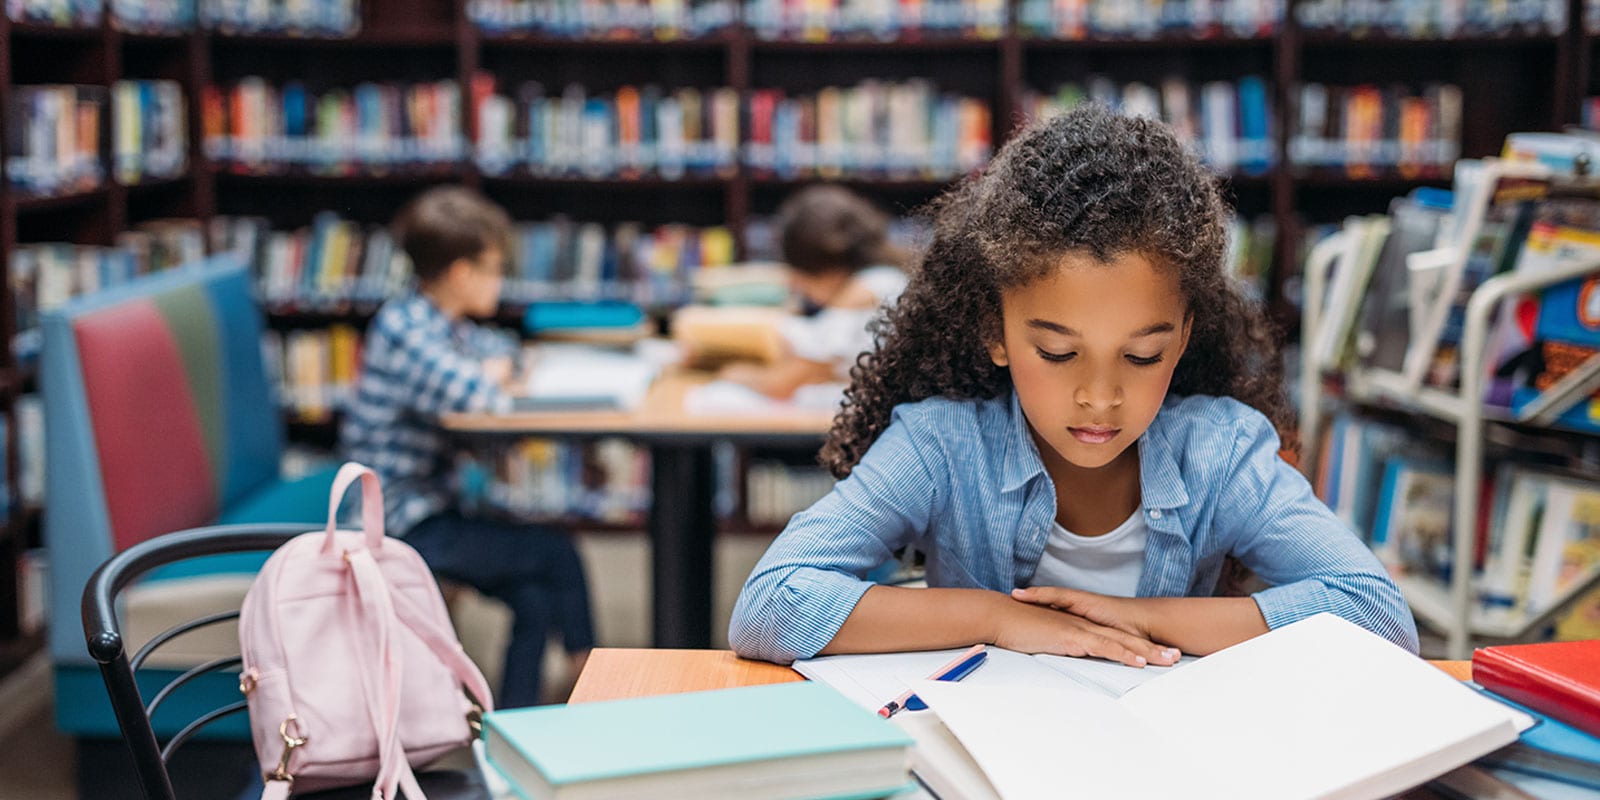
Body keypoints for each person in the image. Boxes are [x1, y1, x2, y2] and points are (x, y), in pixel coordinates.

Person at [728, 106, 1418, 667]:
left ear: (1182, 337)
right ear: (995, 330)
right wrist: (996, 618)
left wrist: (1141, 620)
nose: (1099, 396)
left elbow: (1377, 614)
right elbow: (770, 605)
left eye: (1142, 356)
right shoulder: (941, 444)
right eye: (1057, 352)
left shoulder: (1221, 452)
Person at [341, 185, 594, 707]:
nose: (500, 282)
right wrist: (496, 373)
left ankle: (518, 720)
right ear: (461, 273)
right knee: (556, 552)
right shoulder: (403, 328)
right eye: (495, 269)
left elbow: (508, 356)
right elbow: (480, 396)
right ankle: (589, 679)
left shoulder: (444, 324)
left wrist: (500, 368)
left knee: (535, 591)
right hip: (398, 522)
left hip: (438, 506)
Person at [719, 184, 908, 399]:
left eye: (800, 274)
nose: (797, 284)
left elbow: (782, 384)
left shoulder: (865, 290)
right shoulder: (887, 277)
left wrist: (737, 374)